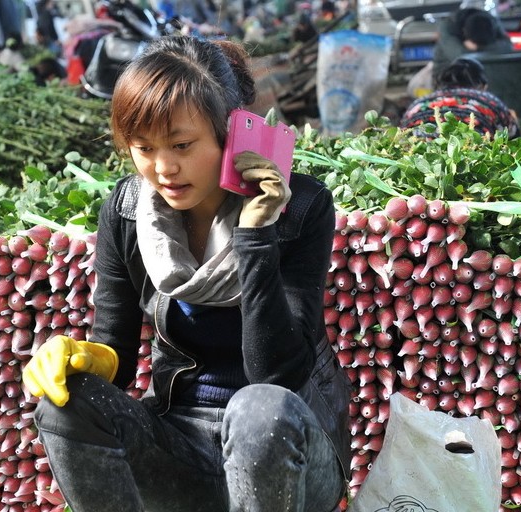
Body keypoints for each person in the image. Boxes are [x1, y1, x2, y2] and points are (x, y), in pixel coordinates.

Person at [22, 34, 351, 512]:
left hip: (289, 451)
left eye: (181, 144)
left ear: (231, 130)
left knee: (257, 409)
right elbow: (115, 352)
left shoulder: (300, 208)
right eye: (144, 148)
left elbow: (276, 375)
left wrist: (256, 234)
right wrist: (78, 357)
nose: (163, 168)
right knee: (65, 400)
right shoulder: (129, 212)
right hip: (182, 445)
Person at [400, 56, 521, 139]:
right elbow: (515, 142)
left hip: (417, 164)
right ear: (483, 86)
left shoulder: (418, 104)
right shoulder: (489, 101)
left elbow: (401, 136)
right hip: (476, 165)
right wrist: (514, 119)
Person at [431, 7, 513, 82]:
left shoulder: (490, 22)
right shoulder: (447, 28)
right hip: (447, 76)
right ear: (464, 32)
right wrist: (488, 50)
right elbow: (461, 56)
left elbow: (508, 47)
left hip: (480, 76)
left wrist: (478, 48)